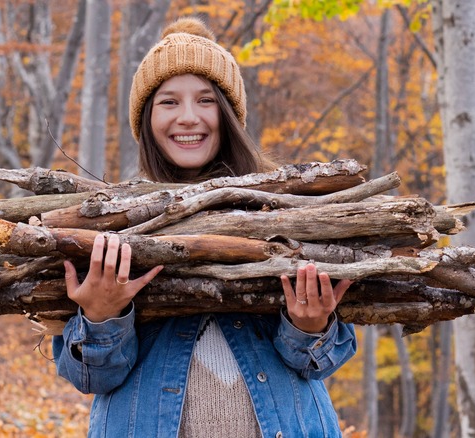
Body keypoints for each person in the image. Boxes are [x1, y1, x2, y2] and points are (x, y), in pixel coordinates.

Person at [53, 17, 357, 438]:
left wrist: (309, 328)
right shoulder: (113, 224)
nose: (189, 118)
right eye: (169, 102)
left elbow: (319, 362)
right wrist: (102, 317)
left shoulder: (284, 214)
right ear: (146, 119)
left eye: (206, 100)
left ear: (229, 114)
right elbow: (89, 378)